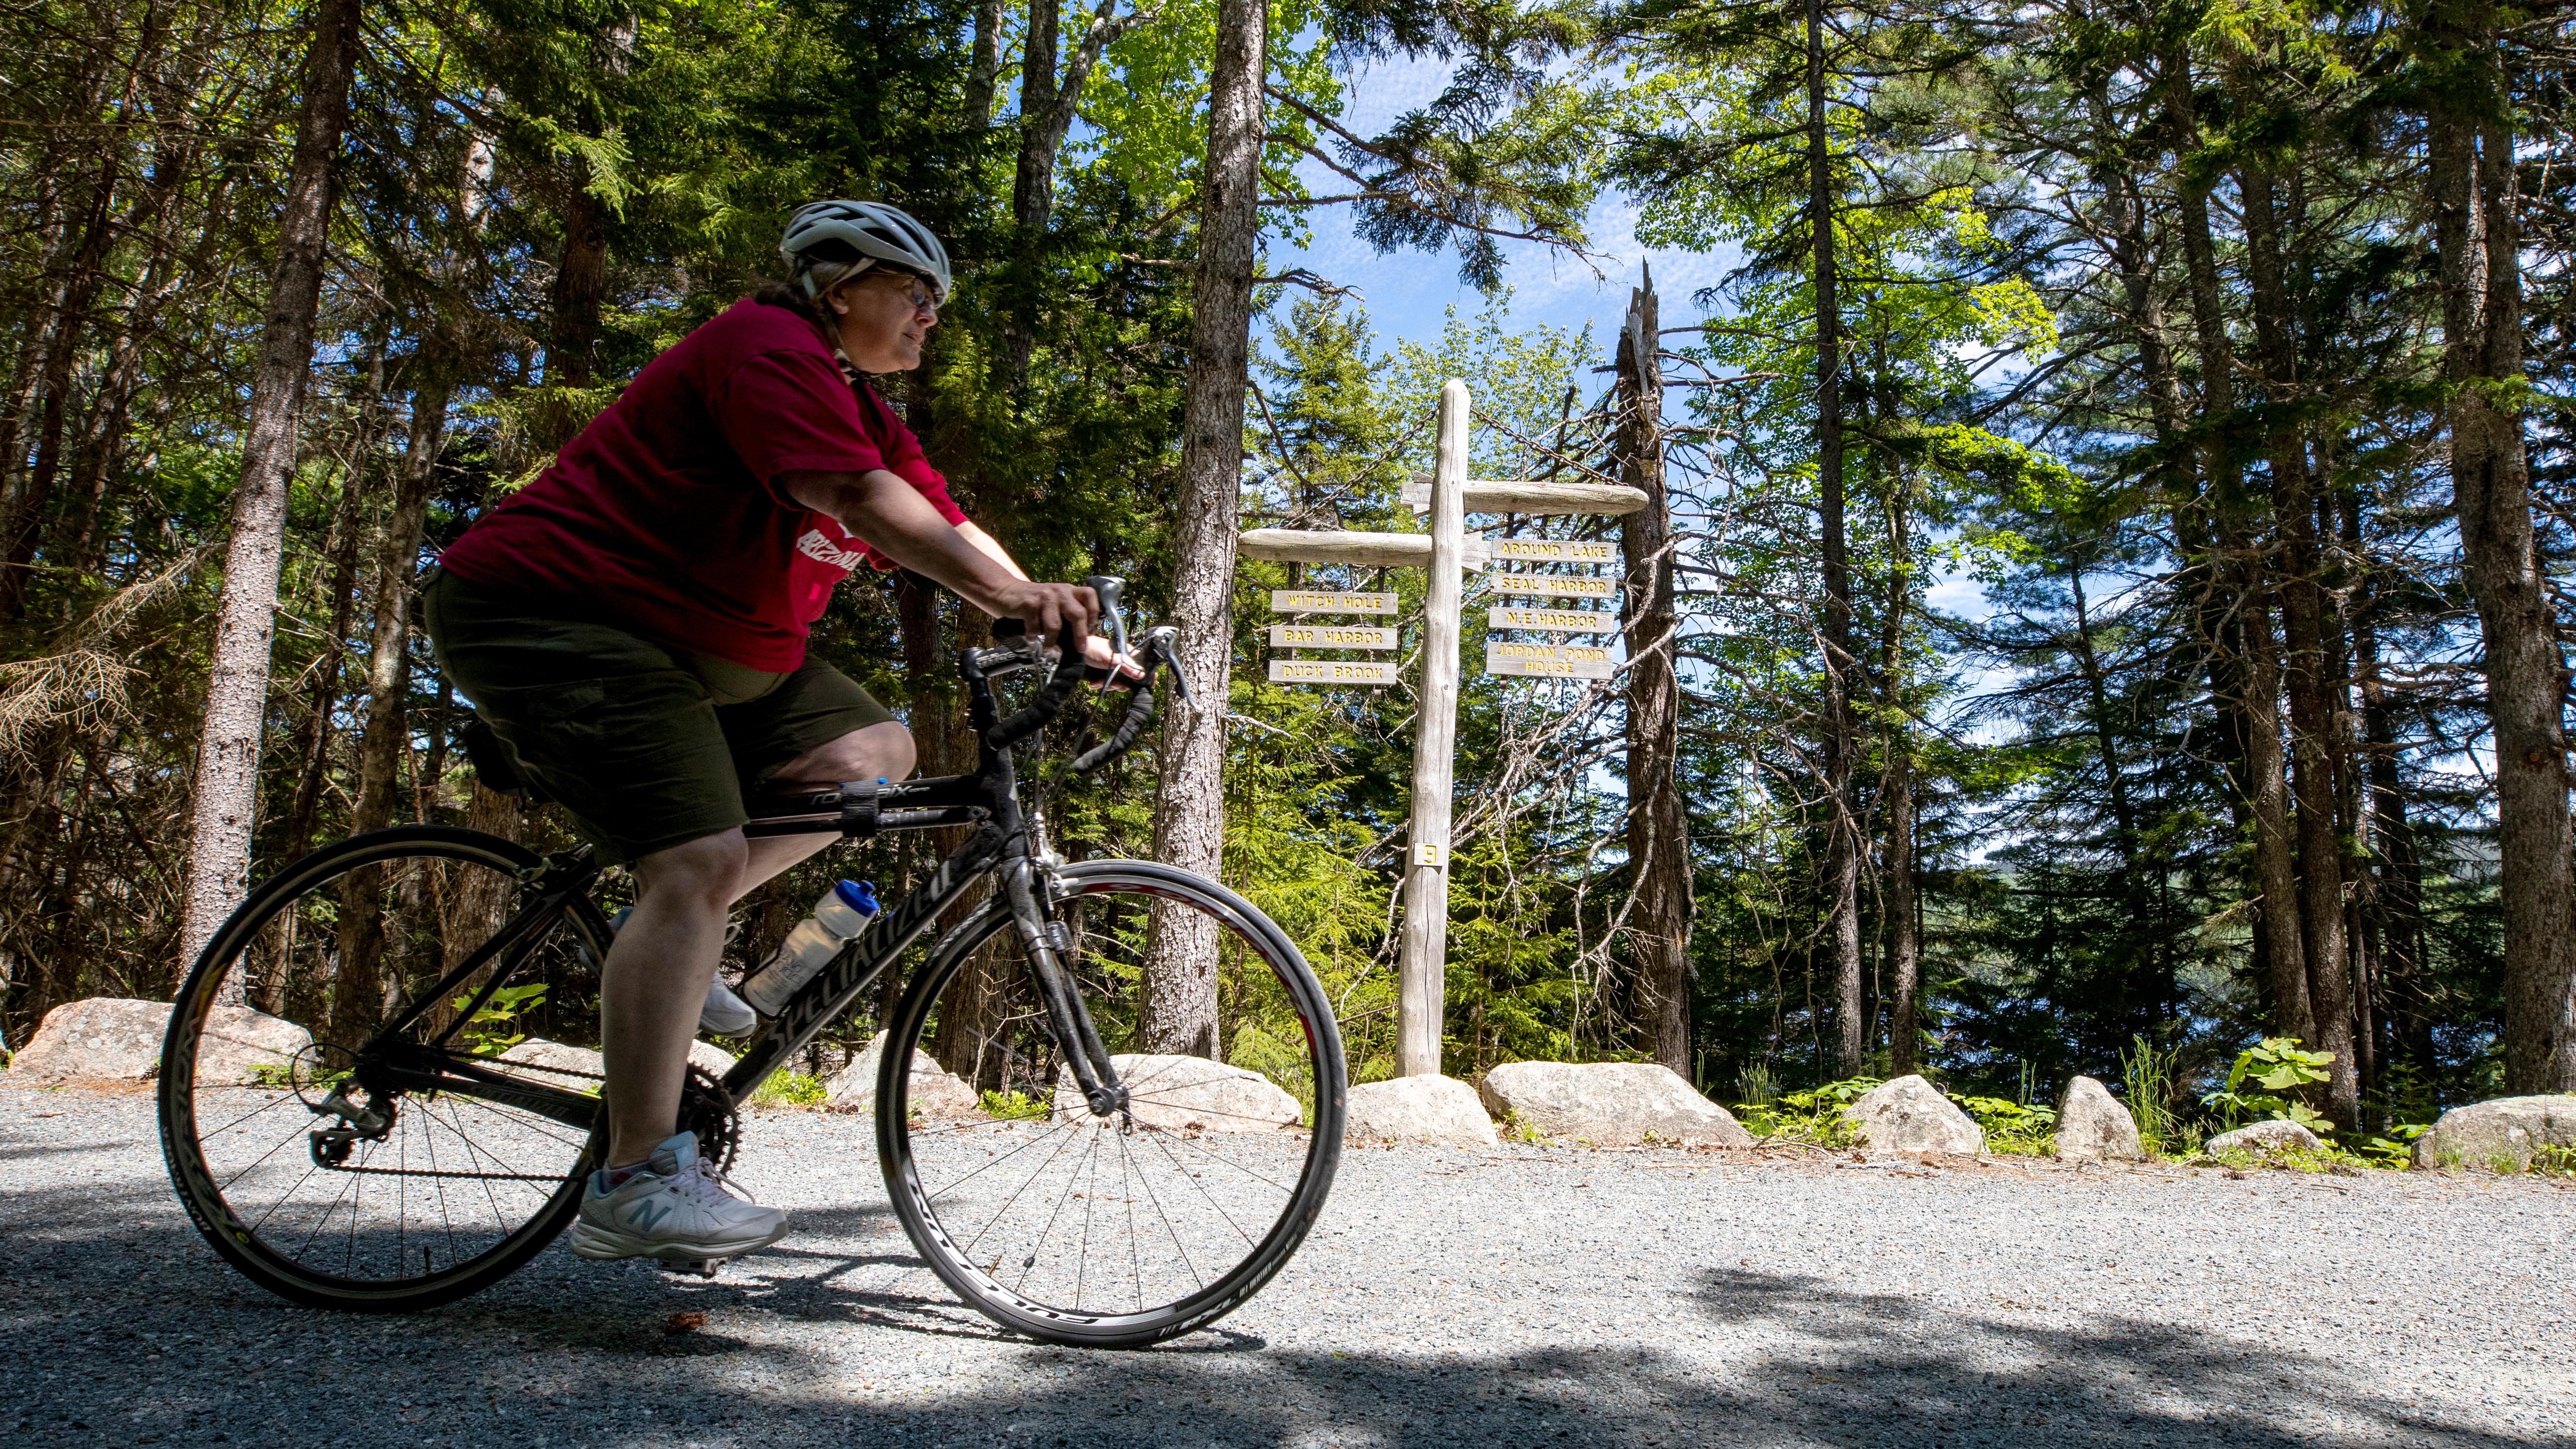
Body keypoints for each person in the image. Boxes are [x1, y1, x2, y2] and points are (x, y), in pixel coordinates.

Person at [423, 199, 1113, 1266]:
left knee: (874, 753)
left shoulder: (863, 407)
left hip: (698, 649)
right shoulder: (768, 349)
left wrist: (1065, 626)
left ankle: (680, 937)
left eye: (938, 305)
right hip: (553, 615)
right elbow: (852, 495)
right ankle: (635, 1178)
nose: (930, 318)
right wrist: (1022, 601)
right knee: (693, 860)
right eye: (913, 295)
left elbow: (939, 513)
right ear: (839, 287)